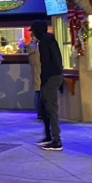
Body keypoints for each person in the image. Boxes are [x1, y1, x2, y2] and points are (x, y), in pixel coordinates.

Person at [31, 21, 64, 151]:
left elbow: (46, 63)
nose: (32, 33)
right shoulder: (49, 39)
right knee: (43, 106)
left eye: (33, 30)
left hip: (50, 78)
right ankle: (49, 136)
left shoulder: (44, 42)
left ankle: (56, 140)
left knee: (50, 108)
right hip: (54, 76)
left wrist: (43, 81)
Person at [27, 34, 42, 115]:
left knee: (37, 92)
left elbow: (31, 62)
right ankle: (40, 113)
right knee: (39, 93)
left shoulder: (31, 47)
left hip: (35, 72)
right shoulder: (37, 48)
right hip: (40, 72)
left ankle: (39, 113)